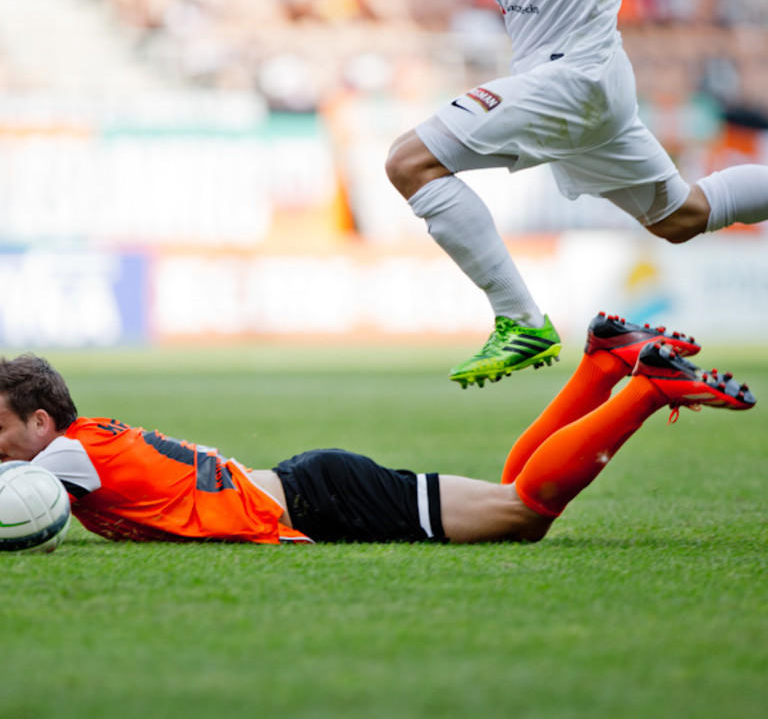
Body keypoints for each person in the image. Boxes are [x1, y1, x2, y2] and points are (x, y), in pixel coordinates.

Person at [0, 314, 755, 546]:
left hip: (324, 500)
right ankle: (602, 366)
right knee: (511, 499)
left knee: (525, 514)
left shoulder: (67, 456)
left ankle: (645, 388)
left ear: (40, 421)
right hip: (312, 487)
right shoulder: (83, 444)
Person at [385, 0, 768, 388]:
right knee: (682, 216)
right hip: (585, 80)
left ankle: (520, 319)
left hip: (572, 79)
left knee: (409, 161)